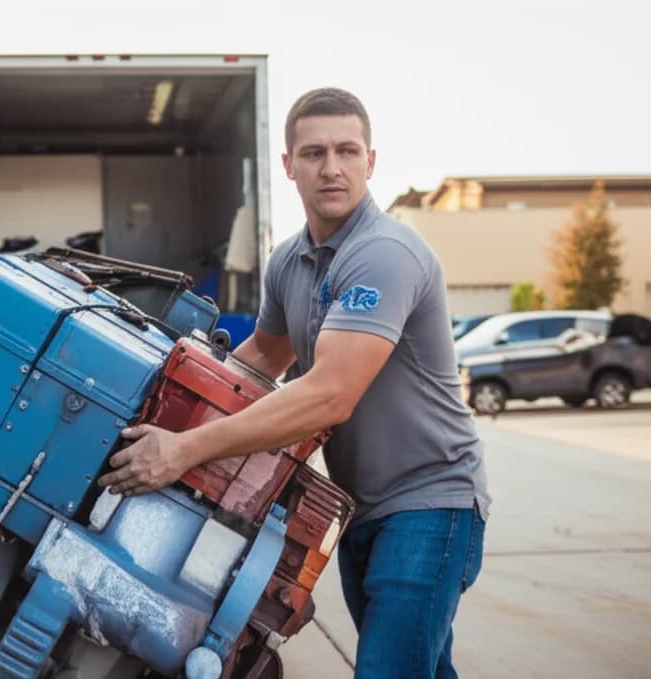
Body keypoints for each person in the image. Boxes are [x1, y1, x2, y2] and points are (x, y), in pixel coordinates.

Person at [97, 87, 490, 679]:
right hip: (365, 508)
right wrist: (160, 393)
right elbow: (263, 357)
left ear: (370, 162)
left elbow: (329, 395)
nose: (331, 168)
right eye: (313, 153)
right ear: (288, 165)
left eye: (346, 151)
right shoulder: (290, 260)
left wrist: (184, 449)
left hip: (431, 501)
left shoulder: (383, 253)